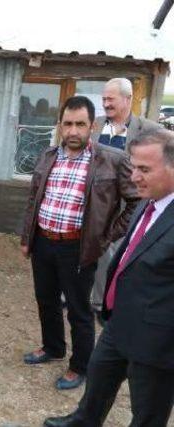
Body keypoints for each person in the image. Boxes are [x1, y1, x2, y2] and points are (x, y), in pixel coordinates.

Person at [43, 128, 174, 427]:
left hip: (158, 337)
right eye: (133, 167)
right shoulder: (147, 199)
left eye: (144, 169)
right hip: (119, 321)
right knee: (99, 381)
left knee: (148, 412)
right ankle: (82, 422)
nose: (134, 177)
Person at [20, 96, 139, 390]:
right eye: (68, 124)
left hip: (79, 247)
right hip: (44, 242)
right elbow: (34, 200)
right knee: (46, 300)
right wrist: (27, 238)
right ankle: (53, 348)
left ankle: (79, 366)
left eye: (80, 125)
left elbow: (136, 200)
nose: (73, 131)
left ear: (92, 125)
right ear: (60, 125)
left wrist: (107, 234)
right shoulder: (48, 156)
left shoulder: (111, 160)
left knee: (78, 309)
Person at [89, 78, 161, 324]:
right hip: (97, 199)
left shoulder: (149, 129)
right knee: (91, 246)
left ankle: (103, 302)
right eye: (104, 99)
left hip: (130, 200)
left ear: (128, 99)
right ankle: (84, 295)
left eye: (111, 99)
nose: (106, 104)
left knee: (115, 249)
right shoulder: (95, 125)